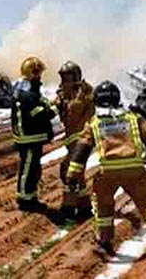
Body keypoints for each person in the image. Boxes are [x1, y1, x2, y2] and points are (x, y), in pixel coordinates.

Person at [66, 81, 146, 262]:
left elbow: (81, 150)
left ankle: (104, 238)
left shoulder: (94, 123)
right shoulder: (133, 117)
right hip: (135, 169)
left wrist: (72, 174)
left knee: (104, 204)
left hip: (108, 172)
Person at [11, 56, 57, 211]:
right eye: (37, 73)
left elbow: (40, 101)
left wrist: (51, 103)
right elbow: (38, 113)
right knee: (29, 169)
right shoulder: (26, 92)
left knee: (33, 169)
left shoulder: (26, 88)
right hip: (29, 138)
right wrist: (54, 110)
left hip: (31, 137)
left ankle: (30, 196)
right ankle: (24, 200)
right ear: (31, 73)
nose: (40, 77)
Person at [55, 61, 95, 220]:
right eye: (64, 77)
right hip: (72, 141)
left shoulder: (85, 93)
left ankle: (68, 208)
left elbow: (78, 110)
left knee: (69, 171)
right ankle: (84, 206)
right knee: (76, 173)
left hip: (83, 140)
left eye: (69, 77)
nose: (66, 81)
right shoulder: (64, 94)